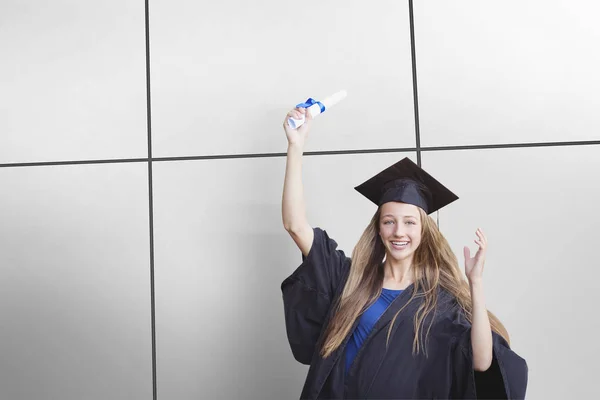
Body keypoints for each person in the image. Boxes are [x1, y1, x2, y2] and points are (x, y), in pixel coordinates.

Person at [280, 107, 528, 399]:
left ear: (424, 231)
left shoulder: (440, 302)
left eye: (410, 222)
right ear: (379, 229)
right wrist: (295, 147)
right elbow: (295, 225)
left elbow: (481, 362)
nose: (399, 231)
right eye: (389, 221)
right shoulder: (349, 280)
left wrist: (475, 283)